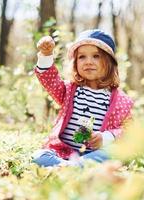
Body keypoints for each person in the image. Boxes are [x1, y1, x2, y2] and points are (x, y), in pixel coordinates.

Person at [32, 29, 134, 167]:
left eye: (96, 56)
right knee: (39, 156)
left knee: (113, 153)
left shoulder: (120, 101)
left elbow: (128, 130)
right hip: (63, 153)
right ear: (75, 63)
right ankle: (72, 167)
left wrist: (106, 137)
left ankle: (69, 168)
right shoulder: (69, 90)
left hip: (93, 154)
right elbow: (50, 81)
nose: (88, 62)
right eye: (82, 57)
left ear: (110, 63)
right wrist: (46, 55)